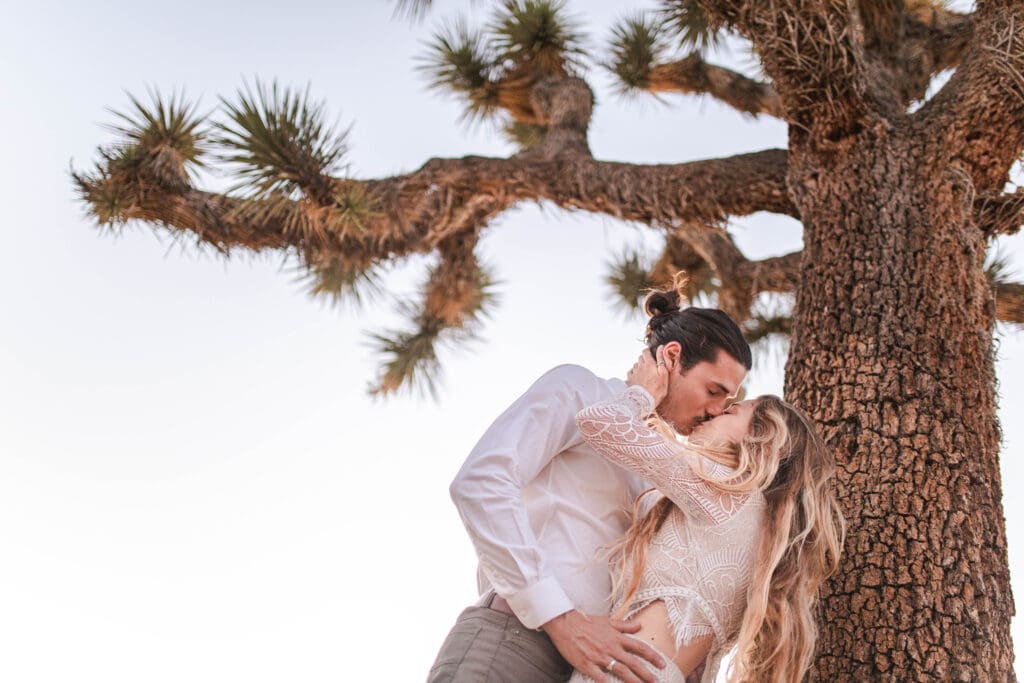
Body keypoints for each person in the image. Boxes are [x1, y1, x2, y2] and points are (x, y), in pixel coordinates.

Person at [428, 286, 752, 683]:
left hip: (592, 668)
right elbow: (481, 482)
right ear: (671, 357)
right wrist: (563, 623)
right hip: (516, 646)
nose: (717, 410)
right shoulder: (581, 389)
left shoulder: (663, 466)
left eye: (729, 400)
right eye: (713, 391)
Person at [569, 344, 845, 682]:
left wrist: (642, 392)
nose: (715, 413)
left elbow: (598, 422)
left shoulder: (724, 490)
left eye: (730, 413)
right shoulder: (763, 535)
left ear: (760, 436)